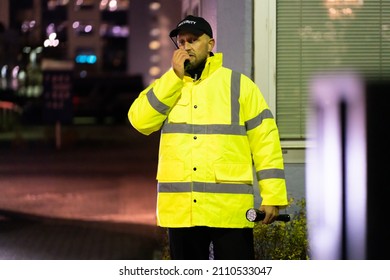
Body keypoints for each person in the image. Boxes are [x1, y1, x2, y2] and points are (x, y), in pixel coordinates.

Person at [128, 15, 288, 260]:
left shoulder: (239, 85)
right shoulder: (169, 85)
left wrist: (273, 196)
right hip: (183, 212)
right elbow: (139, 121)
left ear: (211, 44)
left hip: (229, 211)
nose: (186, 47)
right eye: (181, 42)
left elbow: (265, 140)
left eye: (193, 40)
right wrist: (173, 78)